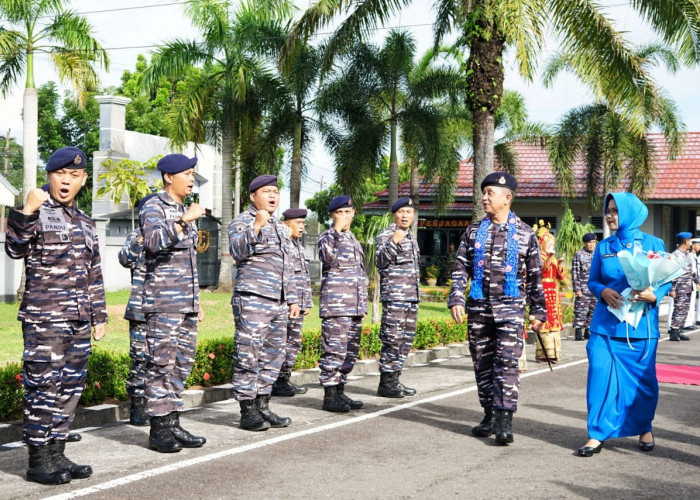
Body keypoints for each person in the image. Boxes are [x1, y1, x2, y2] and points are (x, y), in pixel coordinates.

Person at [5, 146, 106, 484]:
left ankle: (57, 452)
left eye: (74, 175)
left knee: (69, 390)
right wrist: (27, 211)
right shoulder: (35, 210)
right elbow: (13, 249)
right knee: (43, 388)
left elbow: (94, 273)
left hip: (78, 319)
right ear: (49, 176)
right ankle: (38, 459)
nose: (66, 180)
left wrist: (100, 316)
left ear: (83, 179)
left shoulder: (86, 222)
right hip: (45, 320)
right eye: (60, 174)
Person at [448, 172, 546, 445]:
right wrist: (456, 297)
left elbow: (536, 276)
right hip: (479, 309)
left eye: (490, 193)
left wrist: (539, 311)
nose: (484, 198)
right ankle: (489, 414)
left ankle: (505, 420)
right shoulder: (472, 232)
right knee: (482, 363)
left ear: (507, 197)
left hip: (511, 310)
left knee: (507, 363)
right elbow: (460, 268)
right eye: (484, 192)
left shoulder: (526, 234)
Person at [577, 192, 669, 457]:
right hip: (605, 326)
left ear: (630, 213)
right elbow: (593, 281)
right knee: (599, 376)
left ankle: (644, 427)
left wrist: (656, 295)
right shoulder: (605, 247)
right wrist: (603, 291)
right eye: (608, 210)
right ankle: (597, 433)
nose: (609, 215)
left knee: (643, 382)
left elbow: (666, 279)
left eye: (615, 211)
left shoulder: (653, 243)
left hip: (641, 328)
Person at [140, 154, 207, 453]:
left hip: (186, 303)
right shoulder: (154, 206)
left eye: (193, 173)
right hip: (164, 302)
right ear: (169, 176)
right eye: (187, 173)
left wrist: (198, 301)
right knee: (160, 365)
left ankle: (173, 423)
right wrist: (182, 221)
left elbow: (190, 262)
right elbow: (152, 242)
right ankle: (158, 430)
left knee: (181, 364)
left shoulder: (184, 208)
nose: (192, 178)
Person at [229, 175, 299, 431]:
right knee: (249, 355)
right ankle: (247, 411)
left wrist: (292, 298)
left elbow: (288, 267)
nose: (272, 196)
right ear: (252, 196)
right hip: (253, 299)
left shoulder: (281, 227)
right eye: (267, 191)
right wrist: (256, 227)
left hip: (278, 302)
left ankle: (263, 406)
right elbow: (236, 251)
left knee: (273, 356)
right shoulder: (243, 221)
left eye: (275, 192)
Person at [318, 195, 368, 412]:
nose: (345, 217)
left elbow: (360, 274)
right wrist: (336, 232)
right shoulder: (327, 237)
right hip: (336, 306)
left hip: (354, 305)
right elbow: (327, 258)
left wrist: (362, 305)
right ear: (332, 215)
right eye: (340, 212)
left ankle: (340, 391)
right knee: (334, 351)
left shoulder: (354, 239)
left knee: (349, 351)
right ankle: (329, 396)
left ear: (353, 213)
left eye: (348, 212)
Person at [118, 193, 157, 426]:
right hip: (140, 309)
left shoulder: (168, 234)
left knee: (162, 359)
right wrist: (141, 237)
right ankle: (138, 406)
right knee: (140, 359)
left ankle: (158, 404)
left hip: (165, 308)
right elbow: (124, 259)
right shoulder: (137, 235)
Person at [374, 197, 420, 398]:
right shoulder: (386, 235)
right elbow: (380, 261)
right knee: (392, 339)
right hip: (395, 297)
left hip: (411, 297)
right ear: (394, 214)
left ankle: (395, 379)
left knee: (405, 340)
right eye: (401, 212)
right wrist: (394, 242)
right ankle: (386, 383)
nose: (405, 216)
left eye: (409, 212)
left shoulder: (411, 236)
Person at [271, 208, 313, 397]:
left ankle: (284, 379)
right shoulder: (284, 244)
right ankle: (275, 381)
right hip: (288, 303)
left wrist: (308, 302)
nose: (302, 227)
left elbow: (304, 277)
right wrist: (290, 301)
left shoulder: (299, 246)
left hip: (300, 304)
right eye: (298, 223)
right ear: (286, 224)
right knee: (281, 342)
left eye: (303, 223)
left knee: (293, 343)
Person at [535, 222, 565, 362]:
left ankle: (555, 352)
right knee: (545, 318)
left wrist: (559, 264)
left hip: (554, 290)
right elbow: (544, 269)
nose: (551, 247)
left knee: (554, 319)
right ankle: (543, 353)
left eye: (553, 244)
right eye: (549, 244)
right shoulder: (539, 257)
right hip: (544, 290)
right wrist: (551, 258)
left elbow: (561, 277)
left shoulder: (551, 258)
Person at [668, 232, 698, 341]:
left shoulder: (687, 254)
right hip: (679, 287)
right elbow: (672, 274)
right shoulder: (675, 255)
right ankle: (674, 331)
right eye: (689, 240)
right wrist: (672, 289)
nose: (690, 243)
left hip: (688, 286)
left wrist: (697, 281)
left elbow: (691, 272)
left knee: (685, 310)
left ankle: (680, 330)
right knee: (678, 309)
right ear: (685, 241)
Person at [572, 233, 598, 341]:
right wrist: (577, 289)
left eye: (593, 243)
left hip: (595, 289)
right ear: (585, 243)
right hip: (583, 288)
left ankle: (588, 330)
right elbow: (575, 273)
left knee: (593, 311)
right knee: (581, 311)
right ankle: (578, 330)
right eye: (589, 243)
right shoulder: (579, 255)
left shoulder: (597, 254)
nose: (591, 245)